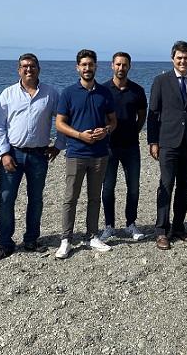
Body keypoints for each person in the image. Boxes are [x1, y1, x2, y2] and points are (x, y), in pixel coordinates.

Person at [0, 53, 61, 259]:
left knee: (36, 199)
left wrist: (59, 145)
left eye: (32, 66)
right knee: (6, 198)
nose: (28, 69)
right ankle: (5, 243)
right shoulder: (8, 94)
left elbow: (62, 119)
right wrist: (3, 153)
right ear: (18, 69)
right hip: (13, 153)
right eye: (24, 66)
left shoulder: (50, 94)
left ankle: (31, 240)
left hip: (39, 155)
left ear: (39, 68)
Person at [147, 40, 187, 250]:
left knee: (185, 187)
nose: (183, 61)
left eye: (186, 58)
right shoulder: (161, 81)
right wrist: (153, 141)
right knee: (166, 186)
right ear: (173, 59)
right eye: (179, 58)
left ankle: (179, 227)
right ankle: (161, 230)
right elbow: (153, 114)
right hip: (168, 143)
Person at [55, 49, 117, 259]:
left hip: (100, 154)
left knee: (94, 197)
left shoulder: (104, 92)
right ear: (77, 68)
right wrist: (79, 135)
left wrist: (106, 130)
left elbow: (113, 121)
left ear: (96, 67)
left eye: (90, 64)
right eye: (84, 65)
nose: (87, 68)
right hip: (76, 153)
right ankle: (66, 239)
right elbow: (60, 123)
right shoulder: (68, 93)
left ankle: (92, 235)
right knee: (70, 198)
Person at [100, 52, 148, 242]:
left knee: (133, 187)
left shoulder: (137, 90)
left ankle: (131, 224)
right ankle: (109, 226)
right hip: (109, 146)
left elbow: (142, 114)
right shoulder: (103, 89)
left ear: (129, 66)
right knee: (108, 188)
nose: (121, 68)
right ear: (112, 66)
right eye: (118, 64)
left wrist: (135, 130)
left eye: (124, 65)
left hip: (131, 146)